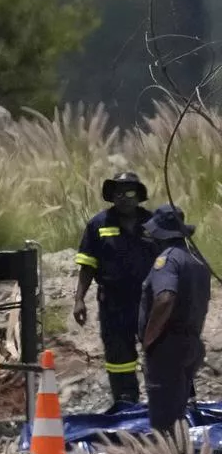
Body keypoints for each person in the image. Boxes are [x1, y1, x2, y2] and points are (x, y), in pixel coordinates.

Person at [72, 171, 157, 406]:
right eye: (119, 193)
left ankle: (161, 400)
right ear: (112, 196)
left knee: (157, 350)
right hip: (113, 302)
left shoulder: (153, 224)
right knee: (118, 354)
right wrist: (79, 299)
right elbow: (87, 266)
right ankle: (125, 400)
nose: (125, 198)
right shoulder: (98, 225)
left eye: (130, 192)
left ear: (139, 195)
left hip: (149, 301)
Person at [139, 204, 211, 434]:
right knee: (178, 414)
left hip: (167, 348)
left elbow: (165, 298)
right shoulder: (196, 259)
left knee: (163, 420)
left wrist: (149, 337)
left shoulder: (167, 261)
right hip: (191, 344)